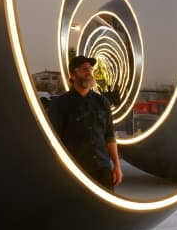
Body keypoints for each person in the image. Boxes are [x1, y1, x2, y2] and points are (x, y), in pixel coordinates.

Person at [48, 55, 123, 192]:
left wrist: (117, 165)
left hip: (102, 169)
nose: (89, 72)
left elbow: (109, 136)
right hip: (76, 170)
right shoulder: (60, 104)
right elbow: (54, 140)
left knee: (104, 212)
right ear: (73, 74)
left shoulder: (102, 102)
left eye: (90, 69)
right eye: (83, 69)